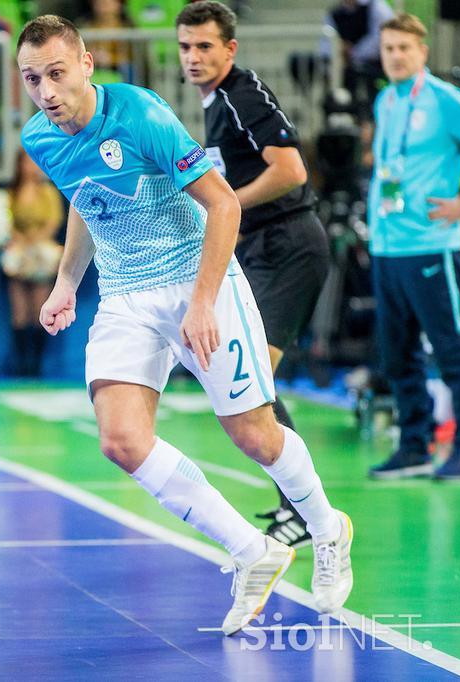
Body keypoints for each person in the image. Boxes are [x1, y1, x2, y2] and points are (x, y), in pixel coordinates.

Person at [17, 15, 353, 634]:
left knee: (253, 434)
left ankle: (329, 528)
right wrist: (66, 283)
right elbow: (84, 200)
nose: (47, 92)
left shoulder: (140, 114)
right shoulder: (39, 137)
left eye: (57, 74)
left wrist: (202, 302)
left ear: (87, 65)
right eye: (33, 79)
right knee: (121, 440)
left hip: (200, 280)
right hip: (124, 296)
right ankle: (253, 551)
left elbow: (223, 202)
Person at [175, 1, 331, 549]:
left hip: (292, 245)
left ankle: (308, 513)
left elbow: (291, 169)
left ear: (230, 49)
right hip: (262, 248)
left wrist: (228, 207)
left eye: (205, 47)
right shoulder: (215, 104)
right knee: (251, 383)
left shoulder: (241, 93)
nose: (193, 57)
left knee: (256, 381)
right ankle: (302, 508)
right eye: (185, 47)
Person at [366, 14, 460, 480]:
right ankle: (414, 446)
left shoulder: (446, 101)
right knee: (396, 354)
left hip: (433, 246)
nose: (396, 56)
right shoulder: (386, 100)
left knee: (452, 351)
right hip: (388, 247)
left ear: (423, 52)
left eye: (405, 48)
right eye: (389, 49)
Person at [2, 148, 63, 377]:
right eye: (26, 163)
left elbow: (53, 221)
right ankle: (20, 365)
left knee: (40, 308)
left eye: (34, 162)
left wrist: (35, 240)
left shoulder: (48, 192)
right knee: (19, 312)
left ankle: (36, 365)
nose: (31, 167)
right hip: (18, 252)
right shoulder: (11, 193)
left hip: (41, 252)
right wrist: (20, 240)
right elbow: (6, 219)